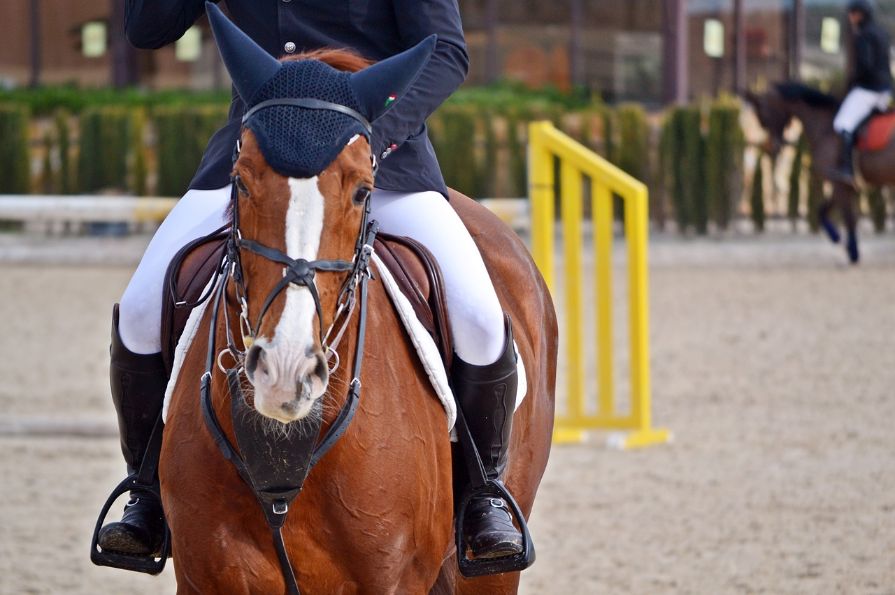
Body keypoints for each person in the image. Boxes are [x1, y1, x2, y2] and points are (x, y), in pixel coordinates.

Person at [97, 0, 524, 568]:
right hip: (260, 161)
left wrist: (367, 139)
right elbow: (147, 30)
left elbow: (446, 52)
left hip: (370, 159)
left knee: (480, 318)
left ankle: (482, 495)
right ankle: (146, 493)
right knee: (140, 311)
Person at [831, 0, 893, 184]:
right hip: (886, 92)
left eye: (852, 13)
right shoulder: (882, 32)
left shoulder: (863, 35)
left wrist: (851, 83)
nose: (850, 17)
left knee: (842, 124)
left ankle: (847, 169)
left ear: (860, 14)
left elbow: (865, 67)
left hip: (869, 90)